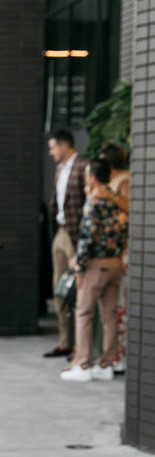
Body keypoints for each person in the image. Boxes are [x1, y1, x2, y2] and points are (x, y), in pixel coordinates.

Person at [60, 159, 128, 383]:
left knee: (84, 313)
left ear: (93, 177)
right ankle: (106, 365)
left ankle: (84, 365)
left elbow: (86, 238)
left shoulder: (94, 203)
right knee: (109, 316)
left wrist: (78, 266)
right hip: (116, 264)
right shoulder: (119, 201)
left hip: (95, 266)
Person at [45, 129, 87, 358]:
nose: (51, 152)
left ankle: (81, 347)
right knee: (59, 288)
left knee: (78, 290)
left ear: (64, 145)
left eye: (52, 147)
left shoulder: (83, 167)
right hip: (60, 233)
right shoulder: (60, 169)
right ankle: (65, 342)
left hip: (76, 235)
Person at [99, 143, 130, 372]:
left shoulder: (124, 181)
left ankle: (119, 357)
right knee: (114, 307)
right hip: (115, 250)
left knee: (120, 306)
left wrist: (109, 195)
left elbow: (130, 207)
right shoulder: (114, 181)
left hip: (123, 251)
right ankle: (113, 356)